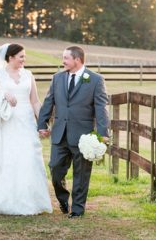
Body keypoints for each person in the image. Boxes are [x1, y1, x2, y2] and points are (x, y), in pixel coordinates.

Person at [0, 43, 53, 215]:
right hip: (7, 124)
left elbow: (34, 101)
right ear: (10, 58)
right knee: (8, 158)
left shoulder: (28, 75)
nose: (24, 60)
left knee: (28, 157)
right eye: (21, 57)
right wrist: (3, 95)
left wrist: (42, 123)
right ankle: (2, 201)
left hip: (26, 123)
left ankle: (30, 201)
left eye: (24, 56)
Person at [38, 46, 109, 218]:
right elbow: (49, 102)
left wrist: (102, 133)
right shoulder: (57, 78)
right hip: (59, 134)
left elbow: (101, 108)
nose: (63, 61)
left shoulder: (95, 80)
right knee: (55, 170)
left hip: (83, 136)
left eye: (66, 58)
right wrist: (42, 123)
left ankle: (77, 210)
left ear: (77, 59)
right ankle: (63, 199)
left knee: (81, 175)